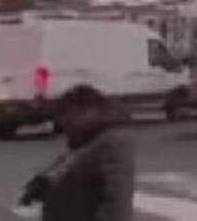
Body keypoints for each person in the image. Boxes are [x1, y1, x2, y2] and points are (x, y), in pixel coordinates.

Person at [19, 85, 134, 221]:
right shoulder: (87, 139)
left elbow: (118, 201)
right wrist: (46, 182)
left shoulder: (113, 143)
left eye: (68, 116)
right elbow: (70, 168)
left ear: (90, 111)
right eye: (61, 117)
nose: (63, 123)